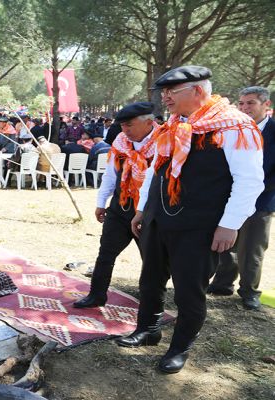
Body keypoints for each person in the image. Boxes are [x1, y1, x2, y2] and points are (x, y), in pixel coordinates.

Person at [124, 66, 264, 374]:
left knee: (189, 289)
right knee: (150, 279)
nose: (165, 98)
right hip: (161, 218)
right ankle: (148, 329)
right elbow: (156, 169)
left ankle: (180, 348)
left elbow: (250, 181)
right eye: (163, 93)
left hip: (200, 224)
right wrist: (142, 209)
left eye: (172, 92)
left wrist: (230, 224)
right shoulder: (174, 125)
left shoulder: (235, 126)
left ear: (198, 91)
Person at [74, 102, 158, 309]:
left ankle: (151, 301)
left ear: (149, 122)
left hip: (150, 211)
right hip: (120, 206)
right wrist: (101, 202)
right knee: (106, 253)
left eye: (129, 125)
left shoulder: (164, 141)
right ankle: (96, 295)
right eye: (122, 125)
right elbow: (110, 174)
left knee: (152, 259)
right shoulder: (121, 141)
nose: (125, 130)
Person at [208, 86, 275, 310]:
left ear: (267, 105)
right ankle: (222, 284)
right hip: (228, 198)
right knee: (225, 244)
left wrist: (252, 188)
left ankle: (249, 292)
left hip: (261, 202)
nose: (245, 108)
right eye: (242, 103)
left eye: (251, 103)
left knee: (251, 250)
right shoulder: (232, 129)